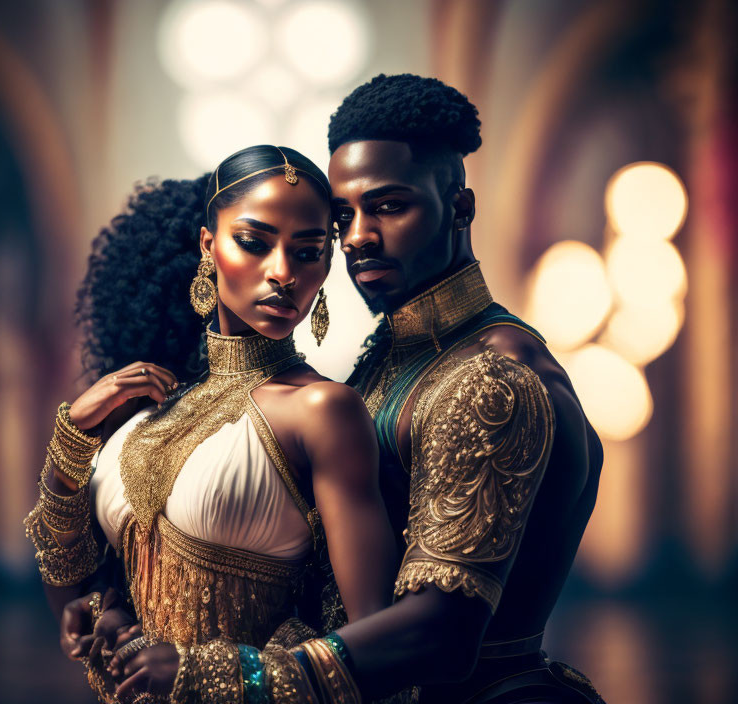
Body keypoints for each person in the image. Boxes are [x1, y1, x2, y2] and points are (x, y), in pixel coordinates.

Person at [108, 75, 606, 703]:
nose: (358, 236)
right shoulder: (393, 357)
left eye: (389, 206)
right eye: (343, 216)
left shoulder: (488, 379)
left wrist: (217, 674)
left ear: (459, 208)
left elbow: (442, 636)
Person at [24, 145, 398, 702]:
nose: (283, 273)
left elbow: (376, 641)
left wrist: (211, 674)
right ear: (208, 244)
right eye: (254, 242)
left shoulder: (323, 410)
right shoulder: (158, 406)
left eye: (308, 252)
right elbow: (71, 592)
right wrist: (70, 441)